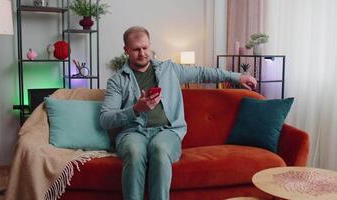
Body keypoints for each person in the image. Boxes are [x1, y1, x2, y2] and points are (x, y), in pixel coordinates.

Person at [100, 26, 257, 200]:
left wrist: (237, 77)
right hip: (132, 132)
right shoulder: (117, 80)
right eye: (136, 49)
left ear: (150, 46)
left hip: (167, 131)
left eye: (145, 48)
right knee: (135, 152)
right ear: (126, 50)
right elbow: (106, 119)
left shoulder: (169, 70)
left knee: (159, 149)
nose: (142, 53)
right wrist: (136, 109)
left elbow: (202, 73)